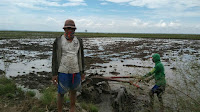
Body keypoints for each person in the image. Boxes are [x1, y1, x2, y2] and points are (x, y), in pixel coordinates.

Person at [52, 19, 85, 112]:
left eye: (72, 28)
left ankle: (72, 108)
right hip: (62, 71)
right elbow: (54, 58)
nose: (70, 30)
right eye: (68, 28)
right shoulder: (58, 41)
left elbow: (81, 56)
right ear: (64, 29)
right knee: (61, 92)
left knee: (74, 91)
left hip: (76, 70)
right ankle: (59, 110)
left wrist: (82, 71)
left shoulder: (78, 40)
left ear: (75, 30)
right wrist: (54, 74)